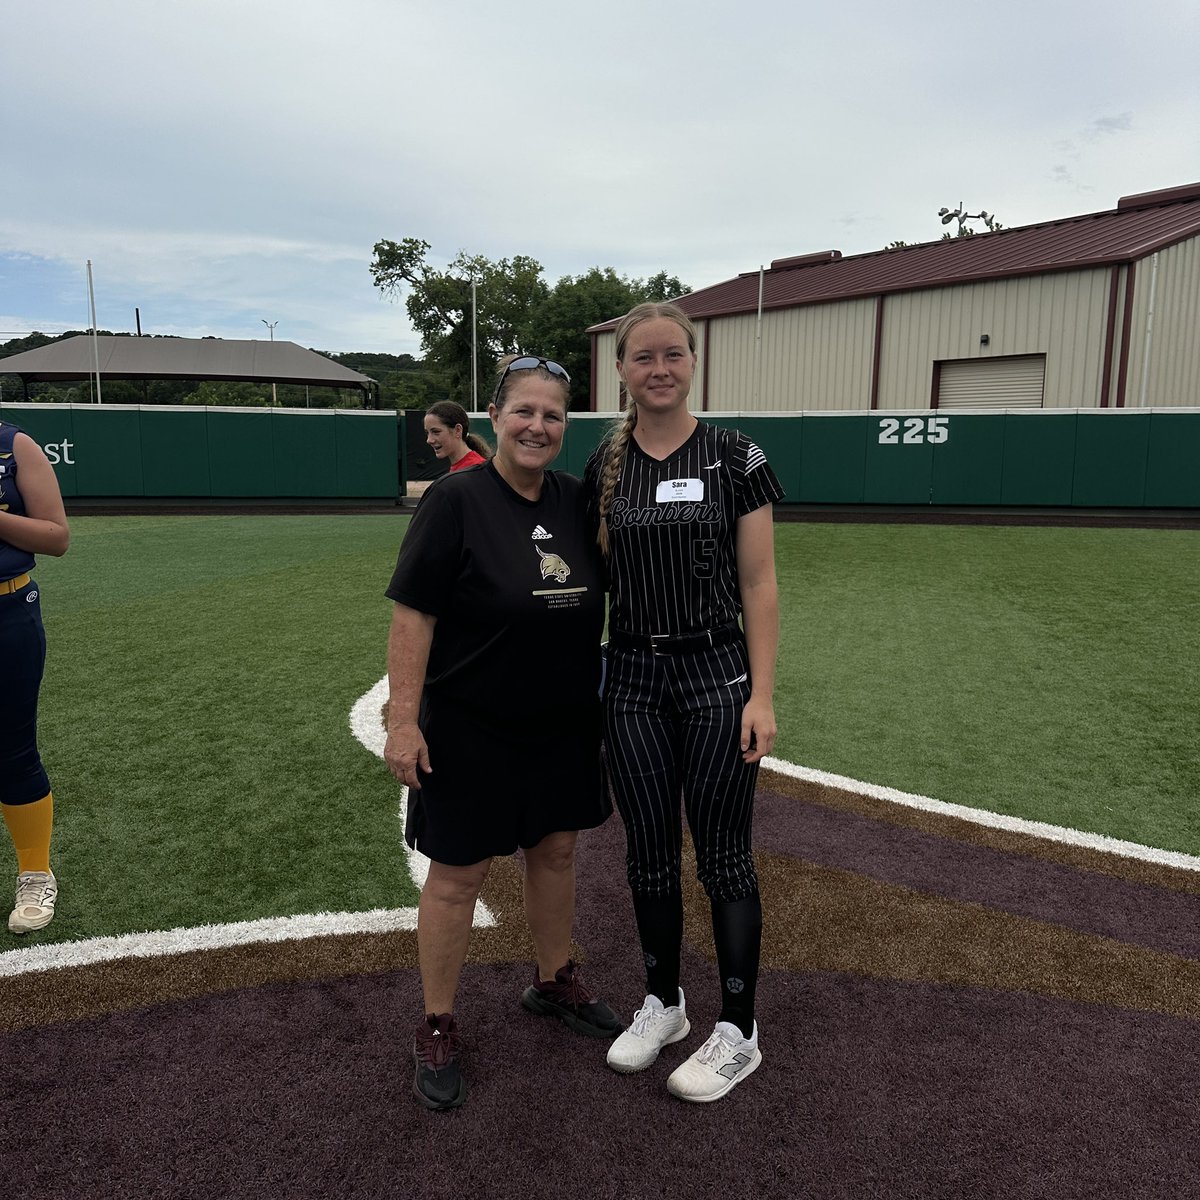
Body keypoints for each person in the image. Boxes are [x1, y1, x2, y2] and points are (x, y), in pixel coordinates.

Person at [384, 355, 622, 1111]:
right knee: (458, 876)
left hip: (559, 723)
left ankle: (554, 982)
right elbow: (413, 615)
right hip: (469, 726)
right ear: (495, 419)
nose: (538, 426)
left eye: (552, 415)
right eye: (524, 411)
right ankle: (436, 1021)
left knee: (555, 851)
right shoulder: (455, 501)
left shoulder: (580, 501)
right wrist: (402, 720)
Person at [583, 302, 784, 1103]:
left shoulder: (735, 455)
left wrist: (762, 693)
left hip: (715, 678)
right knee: (649, 855)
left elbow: (759, 583)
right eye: (642, 358)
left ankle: (739, 1030)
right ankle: (664, 1004)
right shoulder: (605, 464)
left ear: (692, 362)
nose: (658, 369)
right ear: (622, 370)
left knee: (725, 854)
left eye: (672, 355)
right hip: (631, 680)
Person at [0, 421, 71, 935]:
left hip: (7, 614)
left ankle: (34, 870)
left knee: (13, 751)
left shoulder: (13, 444)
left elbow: (56, 537)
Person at [423, 400, 490, 472]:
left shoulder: (476, 470)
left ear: (458, 430)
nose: (429, 440)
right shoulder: (463, 468)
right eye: (427, 432)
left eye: (436, 432)